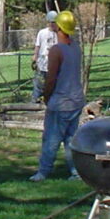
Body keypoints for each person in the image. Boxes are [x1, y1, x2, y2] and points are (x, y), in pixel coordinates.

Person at [29, 10, 84, 182]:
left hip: (61, 102)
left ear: (59, 27)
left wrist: (46, 96)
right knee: (71, 139)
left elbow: (51, 78)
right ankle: (76, 171)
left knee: (51, 139)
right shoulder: (75, 47)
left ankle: (43, 172)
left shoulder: (56, 50)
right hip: (76, 100)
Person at [31, 10, 58, 103]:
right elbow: (37, 45)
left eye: (54, 22)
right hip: (42, 64)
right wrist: (35, 55)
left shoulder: (59, 34)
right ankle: (34, 104)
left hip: (54, 66)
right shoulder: (42, 33)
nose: (52, 24)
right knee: (38, 86)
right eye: (51, 22)